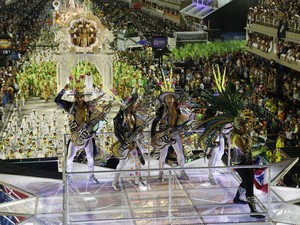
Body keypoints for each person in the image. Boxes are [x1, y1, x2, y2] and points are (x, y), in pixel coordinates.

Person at [54, 84, 105, 184]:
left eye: (81, 97)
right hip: (75, 136)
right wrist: (64, 90)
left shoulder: (89, 106)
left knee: (90, 158)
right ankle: (69, 177)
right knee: (69, 158)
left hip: (87, 136)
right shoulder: (70, 106)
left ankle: (91, 176)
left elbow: (97, 115)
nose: (80, 99)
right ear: (75, 98)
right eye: (77, 97)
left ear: (83, 97)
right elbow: (57, 100)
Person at [150, 91, 192, 182]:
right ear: (165, 100)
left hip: (174, 133)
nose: (169, 100)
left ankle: (182, 171)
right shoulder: (161, 109)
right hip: (164, 134)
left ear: (173, 99)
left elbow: (185, 118)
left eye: (171, 98)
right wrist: (153, 136)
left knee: (180, 153)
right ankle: (160, 173)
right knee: (163, 155)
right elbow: (155, 122)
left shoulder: (178, 108)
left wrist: (185, 125)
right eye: (167, 98)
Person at [231, 115, 265, 218]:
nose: (247, 128)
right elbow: (245, 150)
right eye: (245, 126)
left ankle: (237, 198)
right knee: (249, 183)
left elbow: (249, 149)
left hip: (246, 162)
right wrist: (257, 148)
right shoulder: (237, 137)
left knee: (246, 182)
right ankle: (253, 210)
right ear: (239, 127)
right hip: (240, 164)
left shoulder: (243, 135)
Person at [112, 93, 147, 191]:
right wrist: (125, 144)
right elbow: (117, 133)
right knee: (122, 163)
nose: (134, 106)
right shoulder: (118, 118)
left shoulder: (133, 115)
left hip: (133, 142)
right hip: (123, 143)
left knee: (138, 161)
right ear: (127, 106)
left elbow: (134, 128)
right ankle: (115, 182)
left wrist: (139, 130)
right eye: (132, 105)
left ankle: (137, 179)